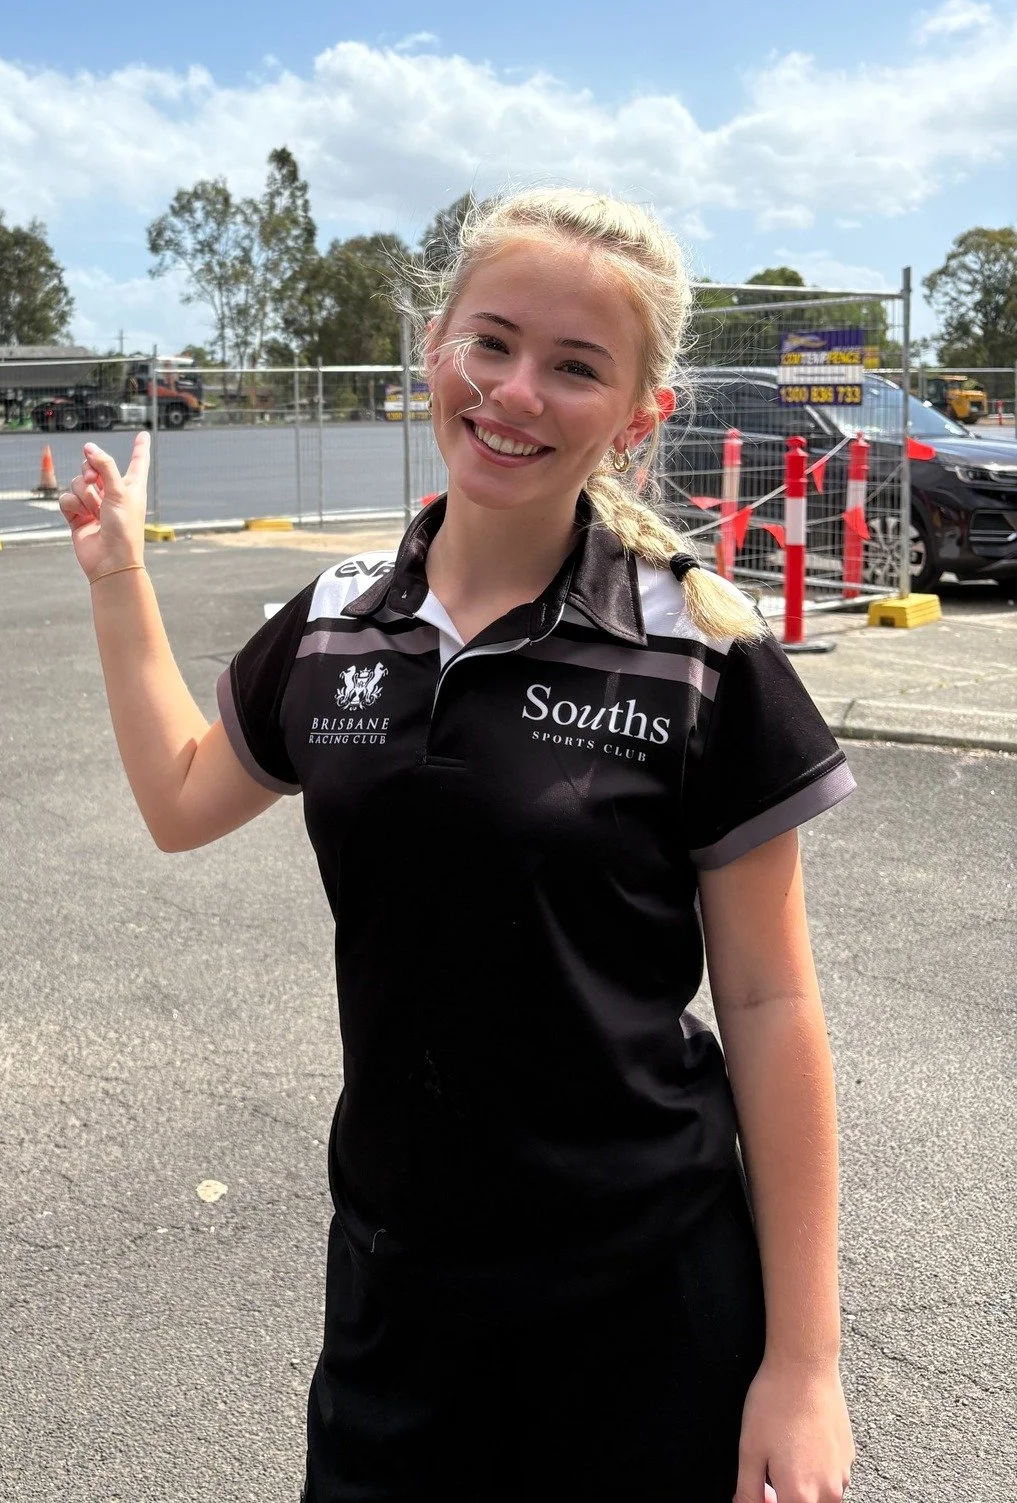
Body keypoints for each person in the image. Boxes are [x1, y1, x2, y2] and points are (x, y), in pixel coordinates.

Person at [60, 188, 857, 1503]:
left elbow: (772, 1003)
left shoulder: (700, 651)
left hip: (646, 1302)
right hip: (402, 1296)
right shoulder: (331, 625)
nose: (517, 392)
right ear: (435, 348)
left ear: (640, 412)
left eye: (576, 365)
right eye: (491, 343)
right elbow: (182, 798)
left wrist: (805, 1365)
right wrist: (117, 580)